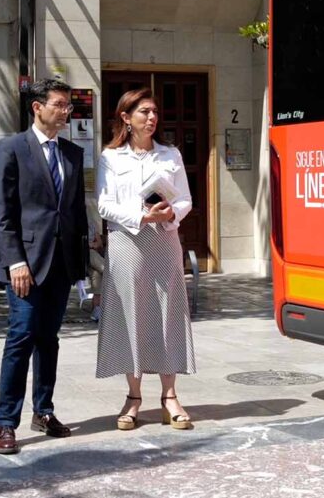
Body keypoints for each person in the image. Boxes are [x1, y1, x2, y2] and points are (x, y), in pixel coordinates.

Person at [0, 79, 88, 454]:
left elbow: (75, 212)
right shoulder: (12, 149)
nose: (67, 112)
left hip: (61, 266)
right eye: (60, 105)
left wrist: (81, 264)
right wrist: (15, 260)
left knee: (49, 340)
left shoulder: (72, 154)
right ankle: (5, 423)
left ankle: (43, 411)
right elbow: (2, 214)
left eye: (68, 105)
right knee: (21, 338)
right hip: (25, 266)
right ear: (38, 107)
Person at [95, 88, 196, 430]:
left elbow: (185, 199)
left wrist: (170, 213)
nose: (152, 118)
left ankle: (170, 395)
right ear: (126, 118)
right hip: (127, 242)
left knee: (168, 313)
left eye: (154, 112)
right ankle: (133, 396)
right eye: (144, 112)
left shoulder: (170, 155)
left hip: (164, 242)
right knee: (130, 315)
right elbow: (104, 204)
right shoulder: (110, 157)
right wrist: (142, 217)